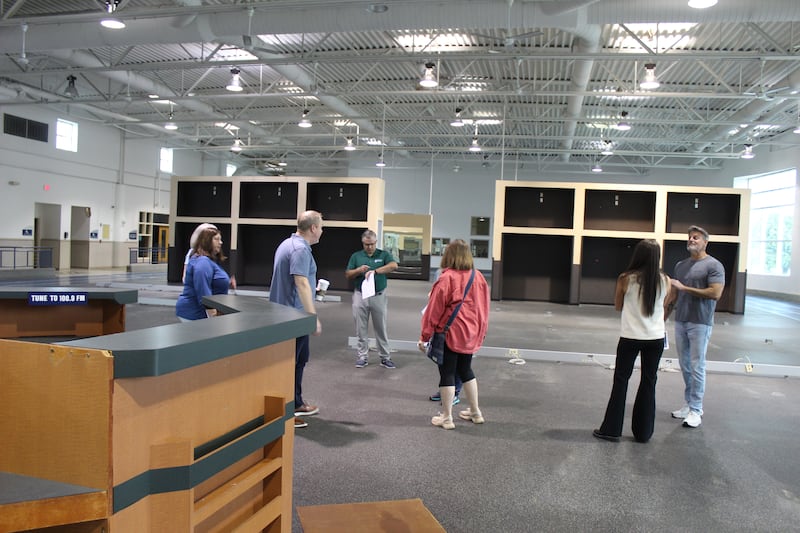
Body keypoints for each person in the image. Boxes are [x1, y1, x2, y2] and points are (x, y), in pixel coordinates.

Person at [593, 239, 671, 443]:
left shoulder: (626, 278)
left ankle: (611, 430)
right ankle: (643, 433)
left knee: (621, 380)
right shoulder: (666, 280)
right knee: (649, 381)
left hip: (630, 336)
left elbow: (618, 306)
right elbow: (664, 305)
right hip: (655, 338)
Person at [418, 239, 489, 430]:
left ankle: (447, 417)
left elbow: (434, 310)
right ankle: (475, 412)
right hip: (471, 333)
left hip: (450, 333)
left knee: (447, 372)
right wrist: (481, 332)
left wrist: (425, 336)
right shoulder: (478, 276)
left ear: (448, 255)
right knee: (466, 370)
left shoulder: (447, 278)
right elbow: (484, 308)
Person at [666, 225, 725, 429]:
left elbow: (715, 293)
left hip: (700, 322)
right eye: (690, 237)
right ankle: (689, 404)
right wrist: (662, 318)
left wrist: (685, 288)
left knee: (697, 365)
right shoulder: (681, 265)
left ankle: (696, 409)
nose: (691, 240)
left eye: (696, 237)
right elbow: (674, 295)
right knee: (685, 365)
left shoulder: (714, 265)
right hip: (681, 321)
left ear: (705, 242)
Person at [269, 211, 324, 429]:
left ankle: (296, 402)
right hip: (293, 318)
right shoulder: (300, 249)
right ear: (313, 228)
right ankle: (284, 414)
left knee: (299, 360)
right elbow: (300, 283)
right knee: (288, 364)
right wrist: (313, 317)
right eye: (321, 227)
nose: (322, 231)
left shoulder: (288, 244)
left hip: (288, 314)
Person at [345, 229, 399, 369]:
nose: (369, 247)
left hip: (378, 296)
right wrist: (359, 270)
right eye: (366, 244)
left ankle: (385, 357)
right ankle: (362, 356)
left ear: (376, 242)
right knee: (360, 328)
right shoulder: (356, 256)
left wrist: (375, 271)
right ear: (362, 243)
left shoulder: (383, 254)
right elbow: (348, 274)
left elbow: (393, 266)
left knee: (381, 327)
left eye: (372, 244)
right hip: (360, 295)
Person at [176, 227, 230, 321]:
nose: (221, 242)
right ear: (207, 241)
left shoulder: (207, 261)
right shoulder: (203, 262)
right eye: (216, 239)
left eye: (220, 239)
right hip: (195, 314)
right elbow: (203, 291)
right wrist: (213, 315)